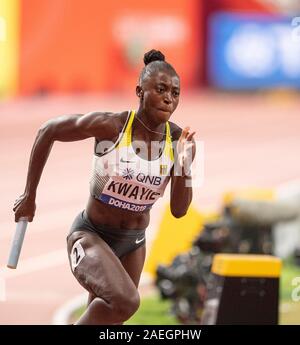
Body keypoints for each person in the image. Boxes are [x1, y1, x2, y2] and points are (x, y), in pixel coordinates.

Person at [13, 49, 196, 325]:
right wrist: (30, 195)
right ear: (140, 91)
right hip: (91, 234)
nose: (169, 98)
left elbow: (179, 210)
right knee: (127, 301)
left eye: (175, 92)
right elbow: (48, 130)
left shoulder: (178, 142)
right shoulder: (112, 127)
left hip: (134, 242)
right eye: (160, 89)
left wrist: (184, 162)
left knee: (111, 318)